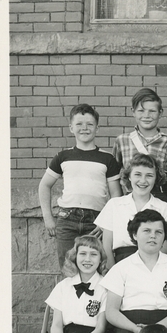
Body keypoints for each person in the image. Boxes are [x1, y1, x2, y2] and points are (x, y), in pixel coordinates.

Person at [38, 103, 122, 268]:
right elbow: (44, 185)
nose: (85, 128)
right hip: (67, 220)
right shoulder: (63, 156)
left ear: (97, 128)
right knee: (68, 268)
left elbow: (116, 195)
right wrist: (48, 218)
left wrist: (106, 222)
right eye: (79, 124)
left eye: (90, 124)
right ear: (71, 127)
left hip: (96, 222)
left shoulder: (108, 159)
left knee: (97, 268)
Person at [95, 153, 167, 269]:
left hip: (152, 263)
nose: (143, 181)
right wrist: (112, 271)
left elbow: (165, 247)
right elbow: (106, 244)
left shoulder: (164, 207)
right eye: (137, 174)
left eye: (149, 176)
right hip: (120, 262)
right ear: (129, 176)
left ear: (156, 178)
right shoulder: (114, 204)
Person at [111, 88, 167, 202]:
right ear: (133, 112)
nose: (146, 115)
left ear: (160, 113)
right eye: (141, 111)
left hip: (159, 197)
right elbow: (114, 174)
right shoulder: (122, 140)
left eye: (152, 111)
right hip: (130, 198)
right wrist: (119, 199)